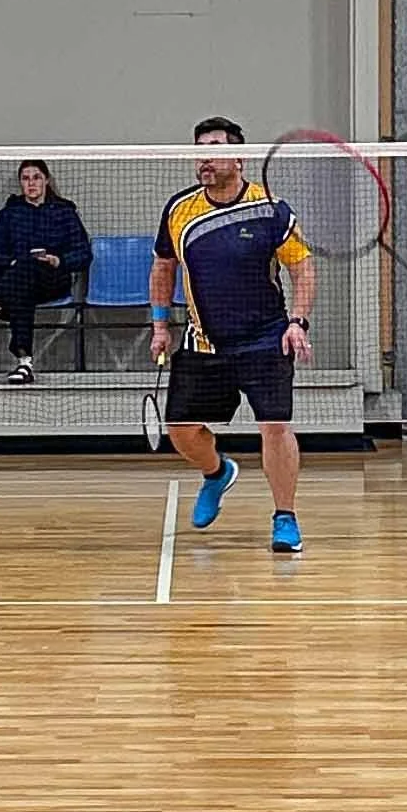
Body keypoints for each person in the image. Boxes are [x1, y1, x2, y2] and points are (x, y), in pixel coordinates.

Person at [149, 115, 315, 556]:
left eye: (214, 147)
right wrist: (160, 325)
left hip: (266, 338)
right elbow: (163, 267)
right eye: (199, 148)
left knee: (275, 426)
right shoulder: (179, 210)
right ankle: (217, 472)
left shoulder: (272, 209)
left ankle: (285, 517)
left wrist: (297, 321)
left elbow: (303, 269)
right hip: (204, 342)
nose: (204, 156)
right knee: (181, 431)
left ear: (239, 156)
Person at [0, 159, 92, 384]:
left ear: (46, 180)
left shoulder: (65, 213)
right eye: (26, 179)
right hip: (18, 281)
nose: (31, 183)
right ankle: (24, 363)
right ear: (20, 184)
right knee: (23, 285)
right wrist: (14, 262)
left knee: (27, 271)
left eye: (36, 177)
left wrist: (58, 260)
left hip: (53, 280)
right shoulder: (9, 215)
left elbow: (84, 254)